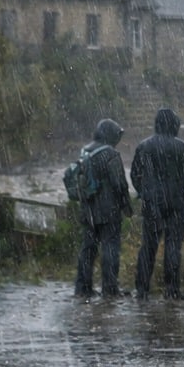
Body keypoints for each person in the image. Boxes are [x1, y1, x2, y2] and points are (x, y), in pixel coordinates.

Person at [131, 108, 184, 300]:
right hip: (176, 203)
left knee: (148, 246)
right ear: (174, 125)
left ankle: (142, 290)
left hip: (151, 203)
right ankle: (172, 289)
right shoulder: (182, 147)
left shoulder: (144, 146)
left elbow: (135, 174)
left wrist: (144, 192)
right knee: (173, 246)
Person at [73, 117, 132, 299]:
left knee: (88, 248)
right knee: (110, 248)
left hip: (88, 209)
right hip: (109, 211)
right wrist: (126, 205)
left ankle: (83, 287)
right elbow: (119, 184)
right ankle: (110, 288)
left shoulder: (85, 151)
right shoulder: (111, 155)